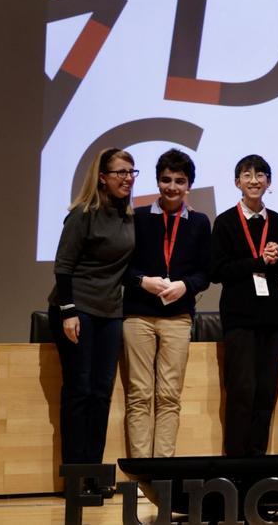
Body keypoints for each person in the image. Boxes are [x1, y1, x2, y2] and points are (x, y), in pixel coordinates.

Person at [50, 147, 136, 488]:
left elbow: (124, 269)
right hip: (77, 309)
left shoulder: (127, 215)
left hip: (110, 311)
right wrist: (69, 312)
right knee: (79, 390)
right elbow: (63, 267)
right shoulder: (83, 213)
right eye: (120, 173)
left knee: (101, 393)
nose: (127, 179)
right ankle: (75, 476)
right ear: (102, 177)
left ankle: (94, 474)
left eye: (131, 173)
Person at [123, 148, 211, 458]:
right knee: (139, 396)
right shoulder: (137, 218)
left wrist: (185, 286)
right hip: (138, 316)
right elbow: (123, 267)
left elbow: (206, 273)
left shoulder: (200, 222)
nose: (172, 187)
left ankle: (162, 472)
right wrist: (142, 282)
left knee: (169, 396)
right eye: (166, 180)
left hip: (178, 317)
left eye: (179, 181)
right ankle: (139, 471)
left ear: (189, 185)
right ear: (157, 182)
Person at [210, 154, 278, 456]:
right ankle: (236, 462)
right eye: (247, 175)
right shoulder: (227, 221)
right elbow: (217, 271)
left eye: (260, 175)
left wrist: (277, 258)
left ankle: (258, 460)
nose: (254, 180)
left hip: (272, 320)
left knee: (266, 392)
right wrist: (257, 261)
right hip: (240, 319)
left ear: (269, 182)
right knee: (242, 391)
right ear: (236, 182)